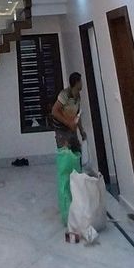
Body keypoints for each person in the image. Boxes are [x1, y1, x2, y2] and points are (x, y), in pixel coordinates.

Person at [52, 72, 87, 227]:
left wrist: (81, 130)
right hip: (62, 132)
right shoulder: (64, 95)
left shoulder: (78, 97)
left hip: (72, 131)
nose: (82, 84)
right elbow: (54, 111)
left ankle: (78, 196)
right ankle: (67, 206)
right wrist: (68, 123)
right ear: (76, 82)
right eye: (80, 81)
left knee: (76, 159)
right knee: (66, 164)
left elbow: (77, 116)